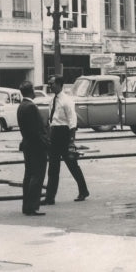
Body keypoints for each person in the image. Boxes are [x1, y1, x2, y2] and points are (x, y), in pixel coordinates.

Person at [42, 75, 90, 204]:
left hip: (64, 134)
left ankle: (83, 190)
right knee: (53, 168)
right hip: (54, 134)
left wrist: (71, 141)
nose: (50, 86)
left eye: (52, 83)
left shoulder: (67, 100)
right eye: (49, 83)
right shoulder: (52, 101)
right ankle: (50, 197)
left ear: (59, 84)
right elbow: (51, 120)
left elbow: (72, 121)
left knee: (72, 165)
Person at [16, 81, 49, 216]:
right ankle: (32, 206)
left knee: (29, 175)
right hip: (36, 146)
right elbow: (36, 130)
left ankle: (26, 205)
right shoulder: (31, 107)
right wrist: (46, 144)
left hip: (27, 145)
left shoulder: (21, 106)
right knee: (37, 175)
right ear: (31, 91)